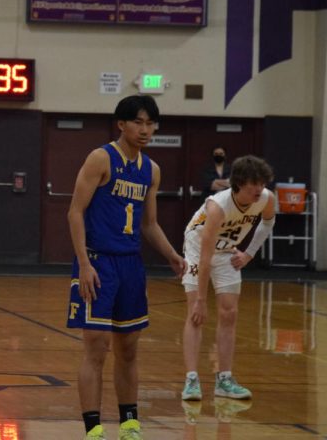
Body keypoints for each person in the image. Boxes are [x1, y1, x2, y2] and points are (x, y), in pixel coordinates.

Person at [66, 94, 186, 440]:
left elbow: (149, 224)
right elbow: (74, 212)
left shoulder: (152, 170)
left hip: (131, 264)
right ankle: (93, 427)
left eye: (151, 123)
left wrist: (171, 255)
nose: (145, 129)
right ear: (121, 124)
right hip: (98, 260)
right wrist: (84, 263)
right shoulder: (101, 158)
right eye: (138, 122)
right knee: (97, 345)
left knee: (129, 347)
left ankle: (130, 422)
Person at [180, 155, 275, 403]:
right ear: (240, 183)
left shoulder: (266, 199)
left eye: (262, 183)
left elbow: (267, 224)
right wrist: (201, 298)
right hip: (197, 247)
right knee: (196, 313)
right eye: (254, 184)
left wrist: (249, 254)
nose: (259, 189)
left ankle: (224, 379)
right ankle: (191, 379)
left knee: (229, 313)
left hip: (228, 250)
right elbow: (204, 258)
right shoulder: (217, 207)